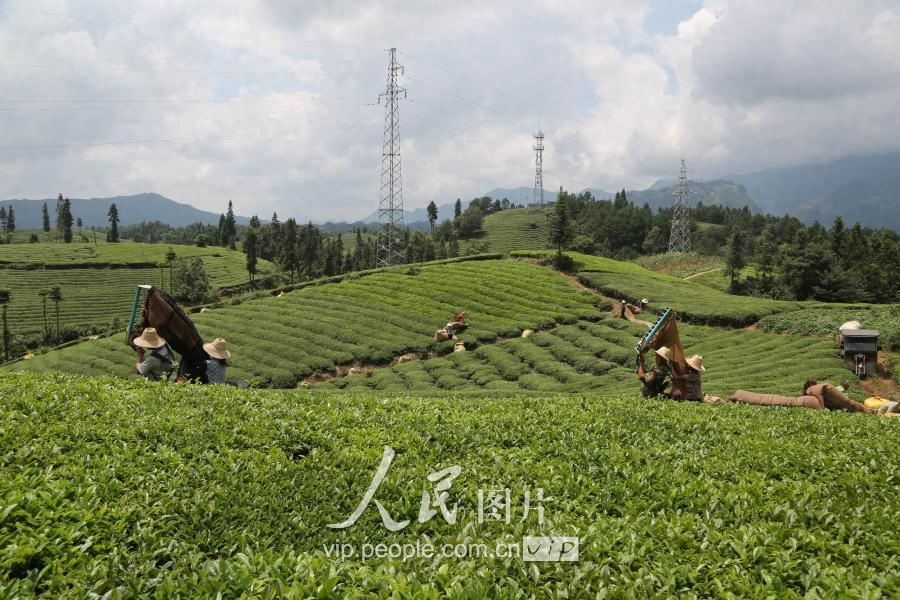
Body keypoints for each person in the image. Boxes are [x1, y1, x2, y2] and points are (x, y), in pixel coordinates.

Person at [802, 379, 870, 413]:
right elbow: (820, 399)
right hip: (832, 398)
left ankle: (867, 412)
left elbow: (820, 398)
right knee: (850, 405)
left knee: (851, 404)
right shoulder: (811, 390)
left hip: (832, 396)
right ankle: (867, 411)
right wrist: (823, 410)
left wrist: (822, 410)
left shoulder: (813, 390)